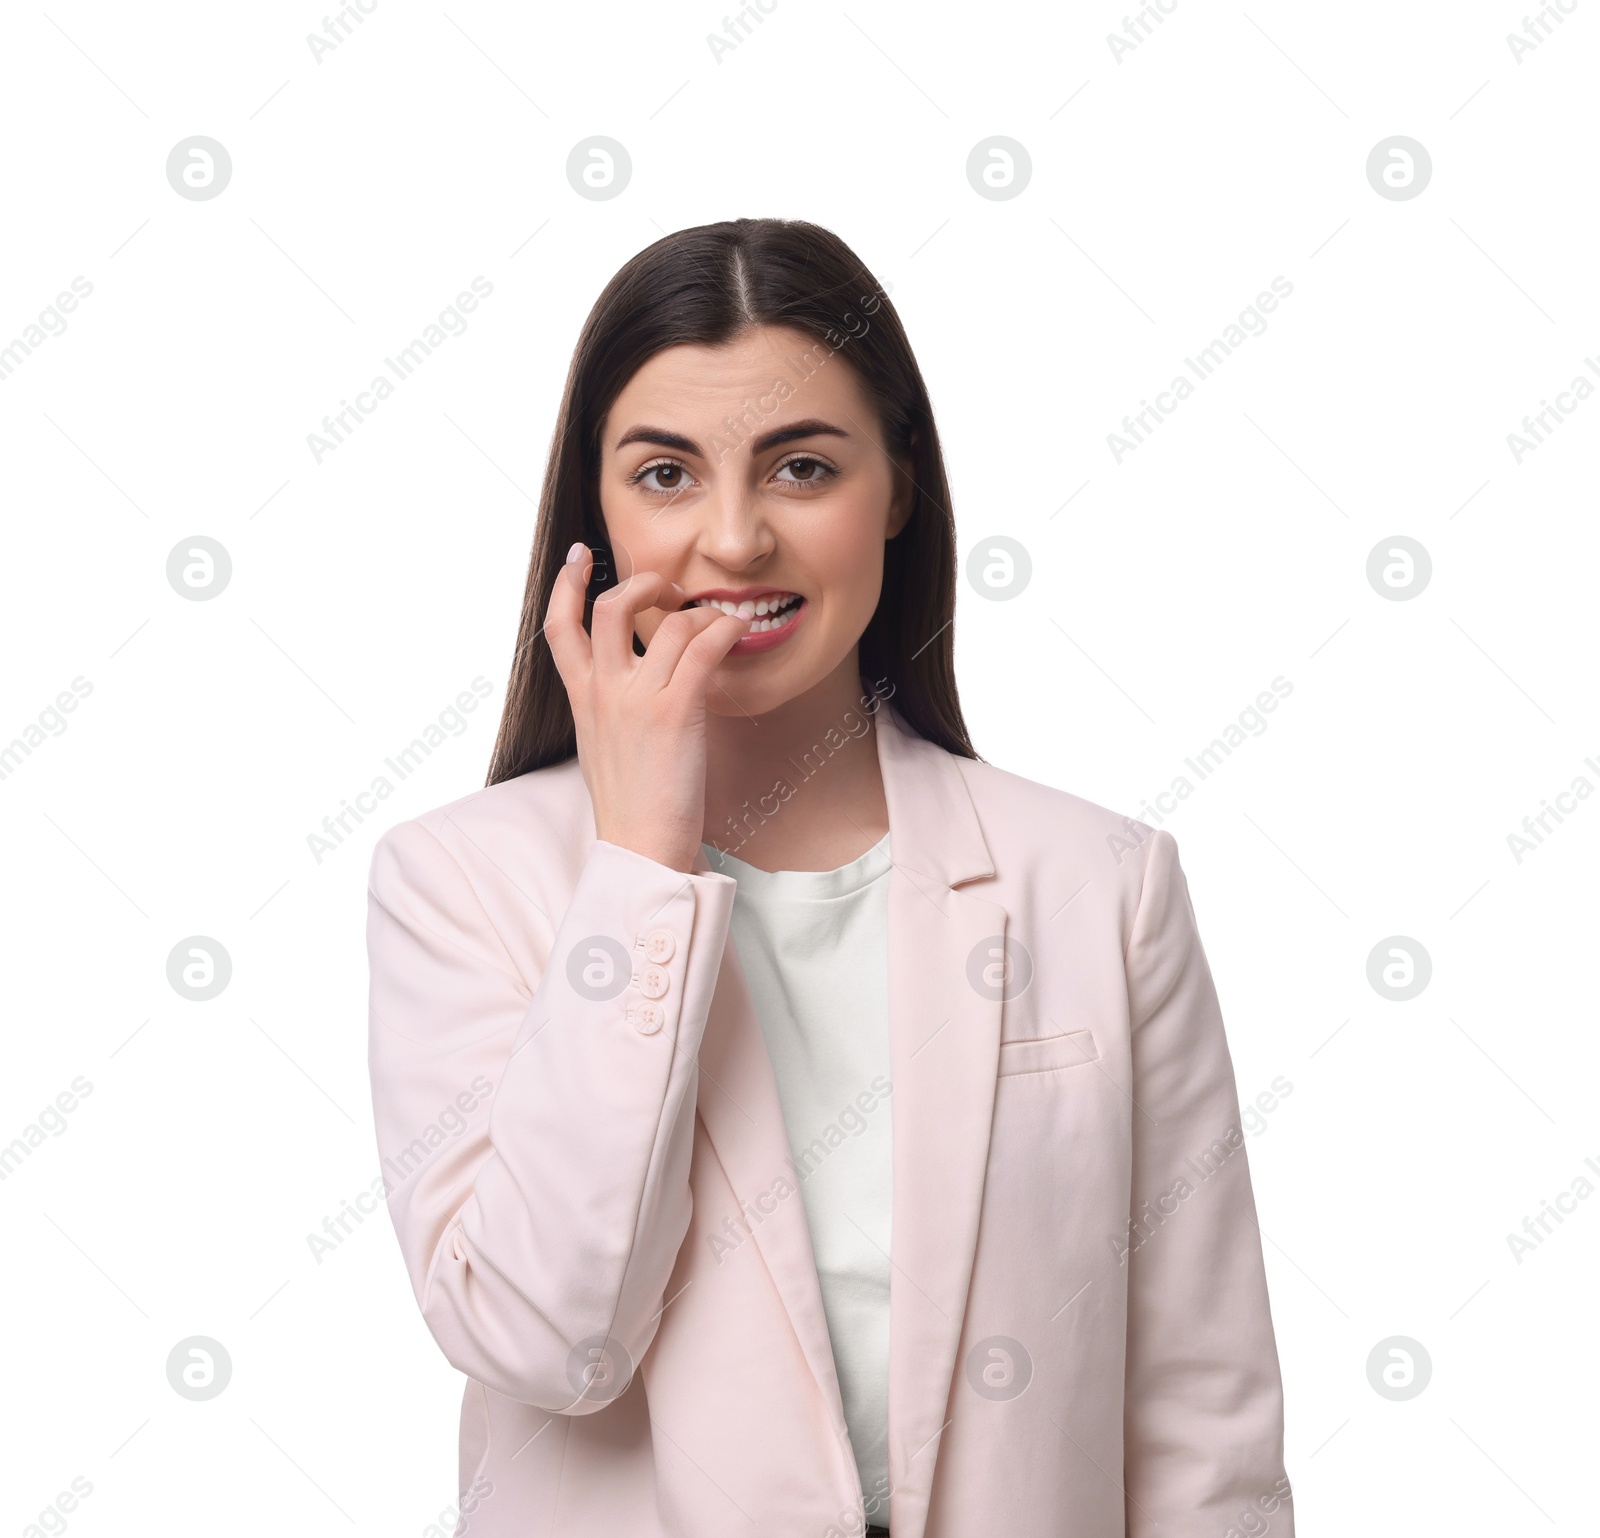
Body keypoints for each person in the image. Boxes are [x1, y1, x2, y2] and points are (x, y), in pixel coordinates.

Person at [366, 217, 1293, 1538]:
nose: (735, 541)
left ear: (897, 489)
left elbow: (1205, 1422)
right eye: (667, 474)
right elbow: (541, 1338)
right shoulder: (464, 881)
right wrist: (636, 868)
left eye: (801, 467)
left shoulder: (1101, 884)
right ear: (598, 511)